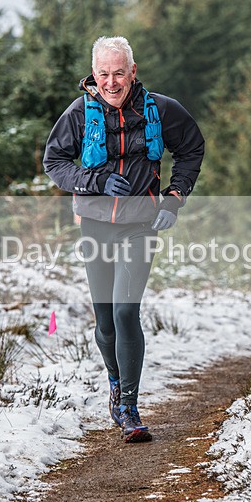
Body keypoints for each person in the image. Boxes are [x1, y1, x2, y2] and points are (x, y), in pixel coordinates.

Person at [43, 36, 204, 443]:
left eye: (119, 73)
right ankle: (115, 383)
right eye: (104, 74)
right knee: (105, 322)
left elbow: (191, 149)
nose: (111, 82)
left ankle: (129, 407)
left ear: (132, 71)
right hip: (95, 224)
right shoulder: (79, 113)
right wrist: (93, 180)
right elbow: (54, 161)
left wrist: (174, 198)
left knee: (125, 312)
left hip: (140, 225)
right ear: (93, 74)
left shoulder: (161, 109)